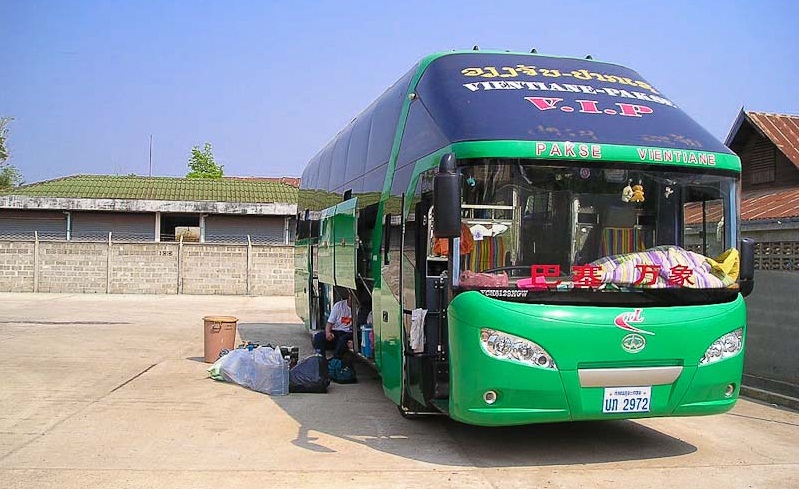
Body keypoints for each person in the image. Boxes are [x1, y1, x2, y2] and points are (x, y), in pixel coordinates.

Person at [312, 289, 354, 358]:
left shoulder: (359, 309)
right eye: (351, 296)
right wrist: (328, 333)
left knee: (342, 340)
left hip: (348, 333)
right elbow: (329, 323)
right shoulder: (338, 306)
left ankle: (335, 361)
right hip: (336, 331)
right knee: (318, 337)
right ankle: (320, 359)